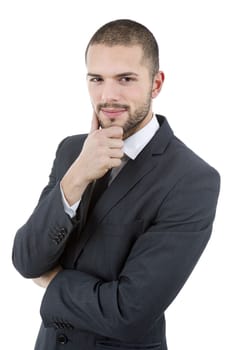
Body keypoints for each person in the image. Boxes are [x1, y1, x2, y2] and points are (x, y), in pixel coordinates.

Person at [12, 19, 220, 350]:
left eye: (125, 79)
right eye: (97, 79)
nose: (108, 95)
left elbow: (129, 312)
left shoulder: (193, 180)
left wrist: (54, 282)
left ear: (156, 83)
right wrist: (77, 175)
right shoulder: (72, 151)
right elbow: (26, 260)